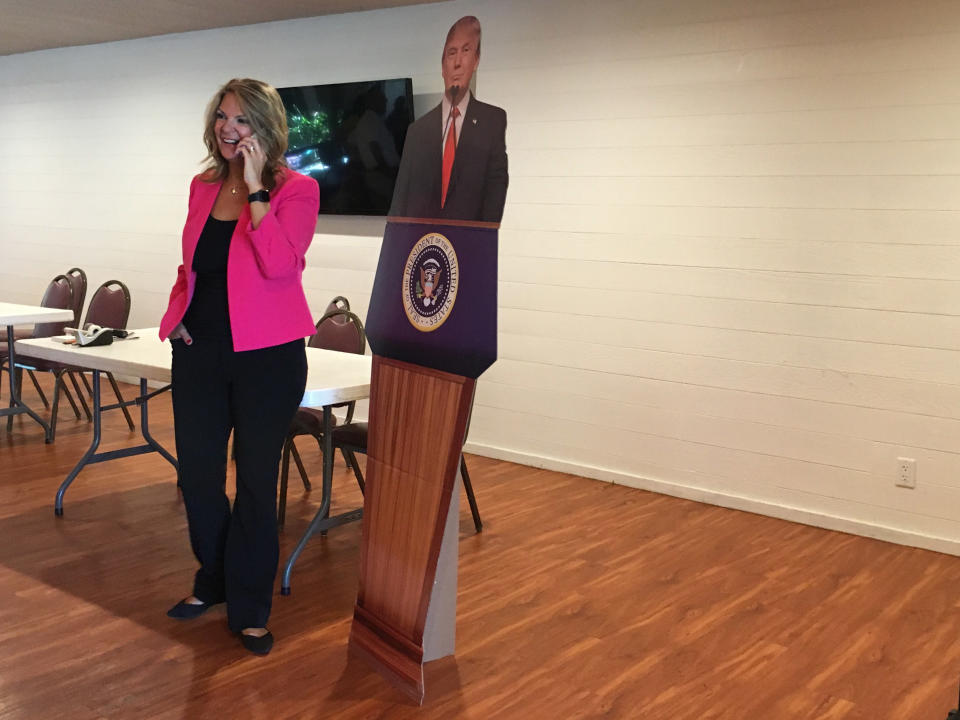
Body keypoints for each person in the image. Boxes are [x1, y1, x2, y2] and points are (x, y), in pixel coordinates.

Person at [158, 78, 320, 656]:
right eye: (224, 117)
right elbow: (192, 266)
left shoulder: (297, 191)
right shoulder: (202, 187)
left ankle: (249, 606)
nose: (231, 128)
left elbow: (280, 266)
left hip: (268, 359)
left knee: (255, 484)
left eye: (243, 120)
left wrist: (255, 192)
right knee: (198, 475)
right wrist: (175, 315)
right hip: (200, 354)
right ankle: (215, 578)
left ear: (266, 128)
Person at [388, 15, 508, 223]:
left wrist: (481, 239)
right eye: (452, 53)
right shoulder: (417, 131)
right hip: (424, 248)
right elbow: (400, 202)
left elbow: (495, 191)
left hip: (469, 246)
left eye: (466, 50)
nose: (458, 63)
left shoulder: (492, 121)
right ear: (443, 66)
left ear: (476, 61)